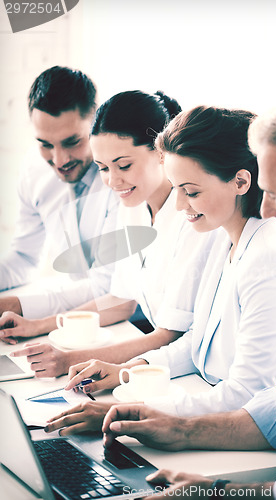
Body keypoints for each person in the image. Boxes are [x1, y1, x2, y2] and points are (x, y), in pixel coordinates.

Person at [98, 96, 276, 498]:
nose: (267, 210)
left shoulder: (271, 257)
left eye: (274, 193)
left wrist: (230, 490)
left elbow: (262, 396)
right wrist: (151, 396)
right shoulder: (223, 242)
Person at [45, 105, 276, 434]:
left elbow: (247, 394)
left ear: (241, 182)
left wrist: (130, 411)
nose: (179, 205)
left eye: (191, 192)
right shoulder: (223, 237)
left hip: (263, 432)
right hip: (207, 397)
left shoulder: (269, 260)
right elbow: (196, 342)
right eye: (176, 189)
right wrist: (131, 370)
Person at [4, 91, 216, 378]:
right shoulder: (133, 206)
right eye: (103, 168)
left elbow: (171, 335)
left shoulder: (193, 217)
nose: (112, 181)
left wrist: (69, 360)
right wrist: (38, 325)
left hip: (194, 370)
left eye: (124, 165)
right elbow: (121, 301)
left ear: (161, 153)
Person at [0, 66, 119, 325]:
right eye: (45, 144)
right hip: (70, 322)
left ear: (96, 123)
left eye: (72, 141)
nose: (59, 160)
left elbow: (106, 287)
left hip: (129, 323)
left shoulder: (121, 179)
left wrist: (14, 306)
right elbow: (25, 257)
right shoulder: (33, 170)